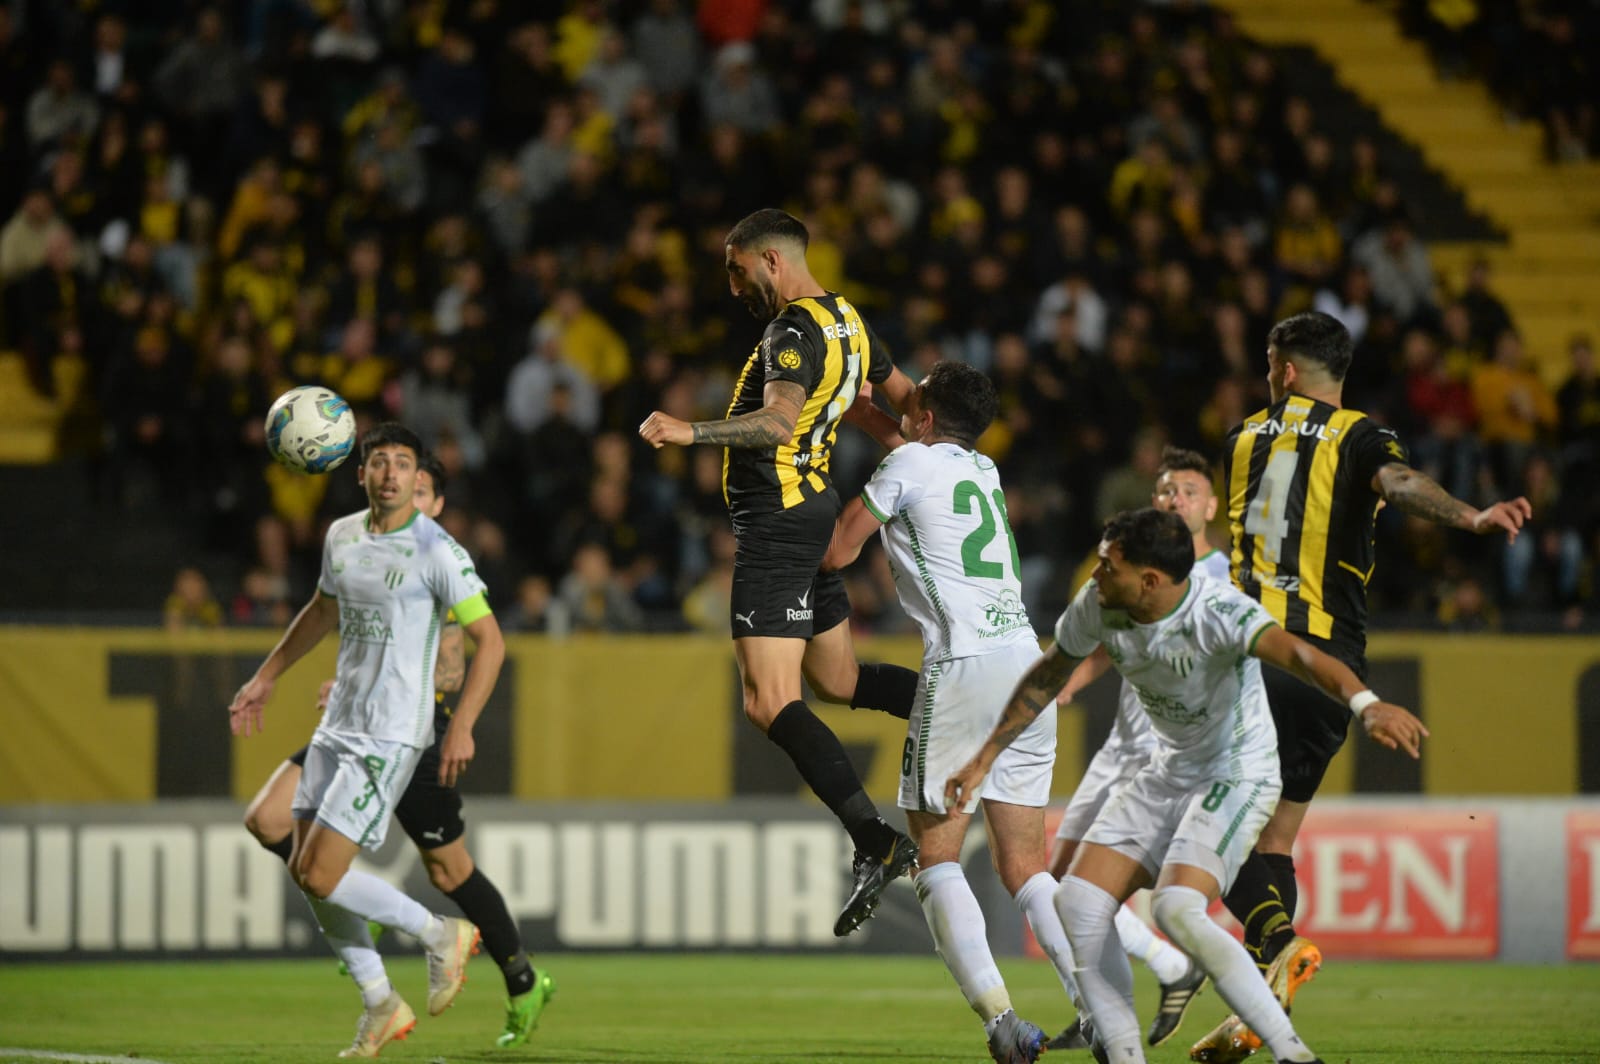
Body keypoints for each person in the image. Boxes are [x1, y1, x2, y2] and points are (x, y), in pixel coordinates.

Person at [946, 508, 1429, 1064]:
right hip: (1168, 768)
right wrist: (984, 759)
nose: (1096, 575)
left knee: (1176, 907)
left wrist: (1366, 705)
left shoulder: (1216, 611)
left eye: (1109, 566)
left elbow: (1299, 654)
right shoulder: (1098, 605)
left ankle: (1293, 1054)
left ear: (1150, 581)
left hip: (1236, 770)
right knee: (1076, 903)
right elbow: (1047, 674)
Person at [1194, 310, 1532, 1063]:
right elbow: (1400, 483)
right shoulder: (1360, 435)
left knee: (1210, 836)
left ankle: (1276, 942)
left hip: (1253, 655)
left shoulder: (1240, 436)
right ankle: (1264, 1002)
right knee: (1277, 837)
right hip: (1332, 668)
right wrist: (1471, 515)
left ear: (1283, 370)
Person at [639, 207, 923, 936]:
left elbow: (776, 423)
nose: (732, 287)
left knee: (769, 701)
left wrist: (687, 430)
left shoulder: (791, 331)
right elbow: (906, 404)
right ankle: (956, 709)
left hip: (778, 527)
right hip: (814, 516)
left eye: (736, 270)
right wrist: (923, 449)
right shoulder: (850, 323)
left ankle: (876, 840)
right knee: (841, 682)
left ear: (771, 261)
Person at [241, 451, 556, 1050]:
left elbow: (453, 666)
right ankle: (368, 951)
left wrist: (403, 693)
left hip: (414, 735)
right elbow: (337, 618)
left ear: (432, 501)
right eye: (386, 474)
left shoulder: (438, 564)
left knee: (447, 869)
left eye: (419, 487)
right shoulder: (361, 545)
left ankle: (521, 977)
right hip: (351, 725)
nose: (403, 492)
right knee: (269, 820)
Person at [821, 361, 1072, 1064]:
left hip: (962, 668)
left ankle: (1002, 1023)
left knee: (935, 860)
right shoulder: (982, 469)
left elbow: (840, 550)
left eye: (913, 400)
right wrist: (861, 411)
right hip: (1027, 663)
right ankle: (1097, 1007)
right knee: (1027, 868)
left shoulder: (906, 468)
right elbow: (908, 442)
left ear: (924, 418)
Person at [1044, 447, 1225, 1052]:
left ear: (1211, 507)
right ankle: (1161, 974)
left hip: (1168, 751)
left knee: (1092, 889)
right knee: (1058, 882)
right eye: (1167, 490)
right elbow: (1103, 637)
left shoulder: (1223, 575)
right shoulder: (1129, 566)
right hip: (1120, 742)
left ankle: (1116, 1013)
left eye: (1189, 492)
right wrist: (1069, 678)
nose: (1176, 499)